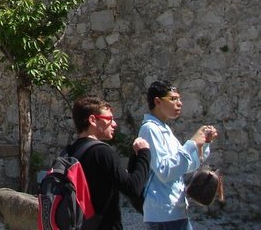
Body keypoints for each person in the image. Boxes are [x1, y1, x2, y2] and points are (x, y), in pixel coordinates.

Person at [138, 80, 218, 230]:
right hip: (163, 213)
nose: (179, 103)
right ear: (157, 101)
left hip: (175, 210)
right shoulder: (150, 129)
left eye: (179, 98)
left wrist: (203, 144)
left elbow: (186, 166)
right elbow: (165, 171)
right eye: (173, 99)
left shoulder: (164, 129)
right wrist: (191, 143)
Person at [67, 96, 150, 230]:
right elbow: (133, 188)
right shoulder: (101, 151)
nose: (114, 124)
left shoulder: (70, 150)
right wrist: (144, 154)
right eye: (109, 119)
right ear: (93, 120)